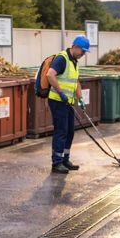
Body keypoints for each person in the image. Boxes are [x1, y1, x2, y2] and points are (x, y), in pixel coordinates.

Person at [47, 35, 89, 174]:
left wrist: (80, 98)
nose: (83, 54)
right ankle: (56, 163)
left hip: (68, 102)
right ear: (75, 47)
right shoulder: (62, 58)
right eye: (82, 51)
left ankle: (65, 159)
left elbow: (76, 81)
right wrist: (61, 93)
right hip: (58, 101)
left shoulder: (74, 61)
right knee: (61, 131)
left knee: (70, 131)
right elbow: (50, 75)